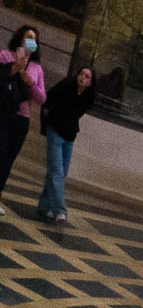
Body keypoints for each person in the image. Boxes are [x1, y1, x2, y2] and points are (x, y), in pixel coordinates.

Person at [37, 63, 94, 222]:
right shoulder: (66, 85)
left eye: (87, 77)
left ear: (90, 83)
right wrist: (48, 120)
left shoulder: (87, 97)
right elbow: (48, 99)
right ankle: (59, 210)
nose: (83, 78)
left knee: (61, 171)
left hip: (69, 135)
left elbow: (78, 114)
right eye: (82, 74)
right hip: (55, 130)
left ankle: (44, 204)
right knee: (57, 171)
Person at [0, 25, 47, 209]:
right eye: (28, 37)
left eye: (34, 39)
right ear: (20, 38)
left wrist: (31, 83)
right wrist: (14, 68)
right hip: (3, 113)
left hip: (21, 118)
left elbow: (42, 98)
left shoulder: (36, 68)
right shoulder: (5, 56)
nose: (31, 41)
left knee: (9, 158)